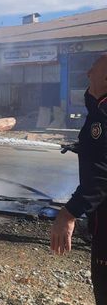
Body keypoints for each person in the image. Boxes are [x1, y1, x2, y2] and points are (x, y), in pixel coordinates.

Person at [51, 54, 107, 304]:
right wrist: (84, 147)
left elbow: (101, 176)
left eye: (92, 69)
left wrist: (68, 214)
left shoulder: (103, 115)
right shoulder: (97, 108)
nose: (87, 73)